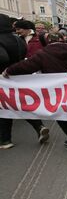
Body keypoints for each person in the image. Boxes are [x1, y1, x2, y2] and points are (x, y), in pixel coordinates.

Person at [3, 31, 67, 150]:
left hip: (54, 91)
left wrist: (9, 71)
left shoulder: (43, 54)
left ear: (48, 41)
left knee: (60, 113)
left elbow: (26, 66)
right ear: (63, 40)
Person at [0, 14, 50, 149]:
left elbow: (3, 58)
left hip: (3, 78)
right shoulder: (18, 40)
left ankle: (5, 140)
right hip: (18, 76)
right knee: (18, 104)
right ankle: (39, 126)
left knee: (4, 108)